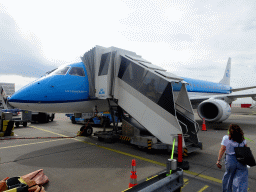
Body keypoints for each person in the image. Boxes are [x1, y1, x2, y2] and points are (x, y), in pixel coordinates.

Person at [217, 124, 248, 192]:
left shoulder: (226, 138)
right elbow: (246, 149)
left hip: (230, 159)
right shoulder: (242, 139)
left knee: (229, 176)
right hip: (241, 159)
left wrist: (218, 160)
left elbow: (222, 149)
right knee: (242, 179)